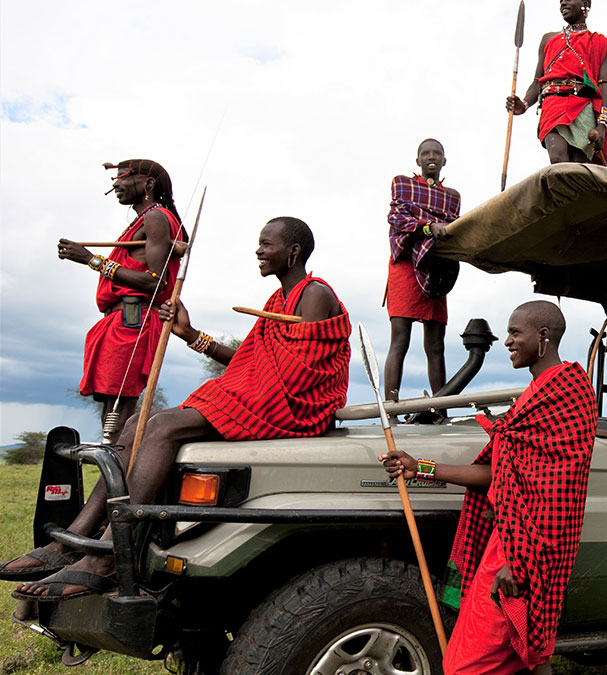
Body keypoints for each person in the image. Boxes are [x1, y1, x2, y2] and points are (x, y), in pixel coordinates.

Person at [7, 218, 351, 594]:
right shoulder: (278, 300)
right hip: (268, 396)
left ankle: (106, 556)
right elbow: (249, 363)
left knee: (164, 426)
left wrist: (235, 387)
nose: (259, 251)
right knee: (140, 420)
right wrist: (190, 335)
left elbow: (298, 377)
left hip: (296, 407)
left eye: (266, 244)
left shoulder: (316, 295)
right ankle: (70, 541)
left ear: (294, 251)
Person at [379, 301, 596, 675]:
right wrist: (419, 467)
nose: (509, 341)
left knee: (465, 672)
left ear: (544, 337)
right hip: (529, 547)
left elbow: (558, 493)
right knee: (533, 659)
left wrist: (516, 562)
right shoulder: (542, 392)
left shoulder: (563, 392)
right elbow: (501, 472)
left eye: (516, 332)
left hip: (523, 552)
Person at [57, 160, 185, 441]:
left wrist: (92, 260)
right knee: (111, 402)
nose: (115, 184)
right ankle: (114, 471)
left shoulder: (155, 218)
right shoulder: (147, 220)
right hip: (122, 321)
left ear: (148, 185)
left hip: (132, 322)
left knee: (119, 407)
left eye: (123, 177)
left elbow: (155, 282)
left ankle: (118, 476)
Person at [384, 138, 461, 400]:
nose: (431, 157)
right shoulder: (402, 184)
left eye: (437, 153)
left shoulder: (452, 198)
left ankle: (441, 408)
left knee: (436, 344)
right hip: (405, 267)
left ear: (444, 160)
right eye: (425, 153)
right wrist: (428, 227)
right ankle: (392, 406)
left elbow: (456, 228)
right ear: (418, 160)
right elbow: (397, 218)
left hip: (436, 267)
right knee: (400, 339)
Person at [507, 0, 607, 167]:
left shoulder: (599, 43)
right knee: (558, 160)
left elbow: (604, 86)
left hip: (583, 107)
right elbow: (537, 81)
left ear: (584, 5)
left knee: (578, 169)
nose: (563, 3)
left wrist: (601, 125)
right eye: (561, 0)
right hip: (552, 103)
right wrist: (524, 104)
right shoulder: (548, 39)